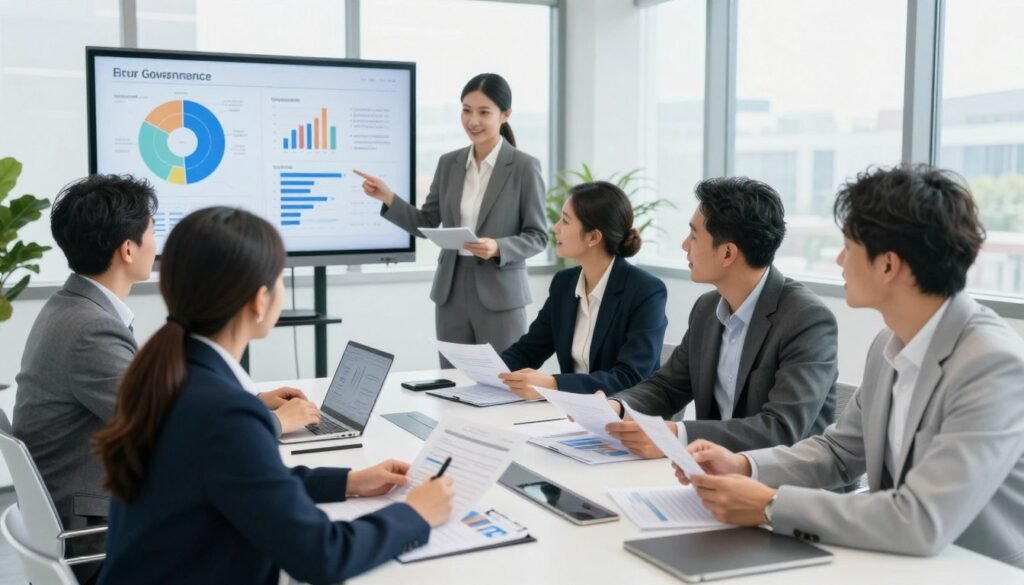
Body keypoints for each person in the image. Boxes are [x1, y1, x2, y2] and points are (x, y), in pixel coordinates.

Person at [675, 165, 1024, 568]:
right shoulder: (887, 346)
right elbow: (839, 451)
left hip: (974, 570)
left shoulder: (993, 365)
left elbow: (921, 520)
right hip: (894, 561)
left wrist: (771, 505)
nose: (840, 260)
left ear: (888, 265)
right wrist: (746, 464)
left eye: (848, 247)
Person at [93, 207, 455, 584]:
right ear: (259, 300)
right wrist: (415, 514)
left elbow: (244, 480)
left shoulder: (173, 372)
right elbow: (321, 555)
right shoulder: (224, 410)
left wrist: (349, 481)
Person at [12, 175, 317, 581]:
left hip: (89, 509)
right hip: (96, 536)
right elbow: (172, 432)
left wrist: (255, 402)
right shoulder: (89, 330)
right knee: (265, 533)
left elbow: (158, 401)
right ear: (127, 249)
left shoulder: (70, 308)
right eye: (153, 231)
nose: (158, 243)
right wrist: (278, 421)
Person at [605, 177, 838, 455]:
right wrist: (617, 407)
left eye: (693, 236)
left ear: (727, 253)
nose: (684, 245)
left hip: (784, 488)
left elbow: (780, 429)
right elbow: (667, 387)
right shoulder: (707, 309)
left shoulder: (807, 320)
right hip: (714, 474)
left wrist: (678, 435)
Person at [354, 73, 548, 366]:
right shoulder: (449, 163)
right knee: (452, 384)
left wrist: (497, 247)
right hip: (452, 290)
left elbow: (538, 236)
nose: (473, 121)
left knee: (504, 381)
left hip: (500, 292)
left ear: (505, 115)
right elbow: (427, 222)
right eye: (466, 110)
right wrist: (389, 199)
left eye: (484, 112)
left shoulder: (523, 167)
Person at [497, 181, 668, 397]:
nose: (555, 227)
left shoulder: (645, 290)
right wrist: (487, 369)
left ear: (593, 237)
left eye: (565, 221)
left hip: (623, 417)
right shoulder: (564, 283)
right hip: (571, 411)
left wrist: (553, 384)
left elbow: (630, 377)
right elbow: (529, 350)